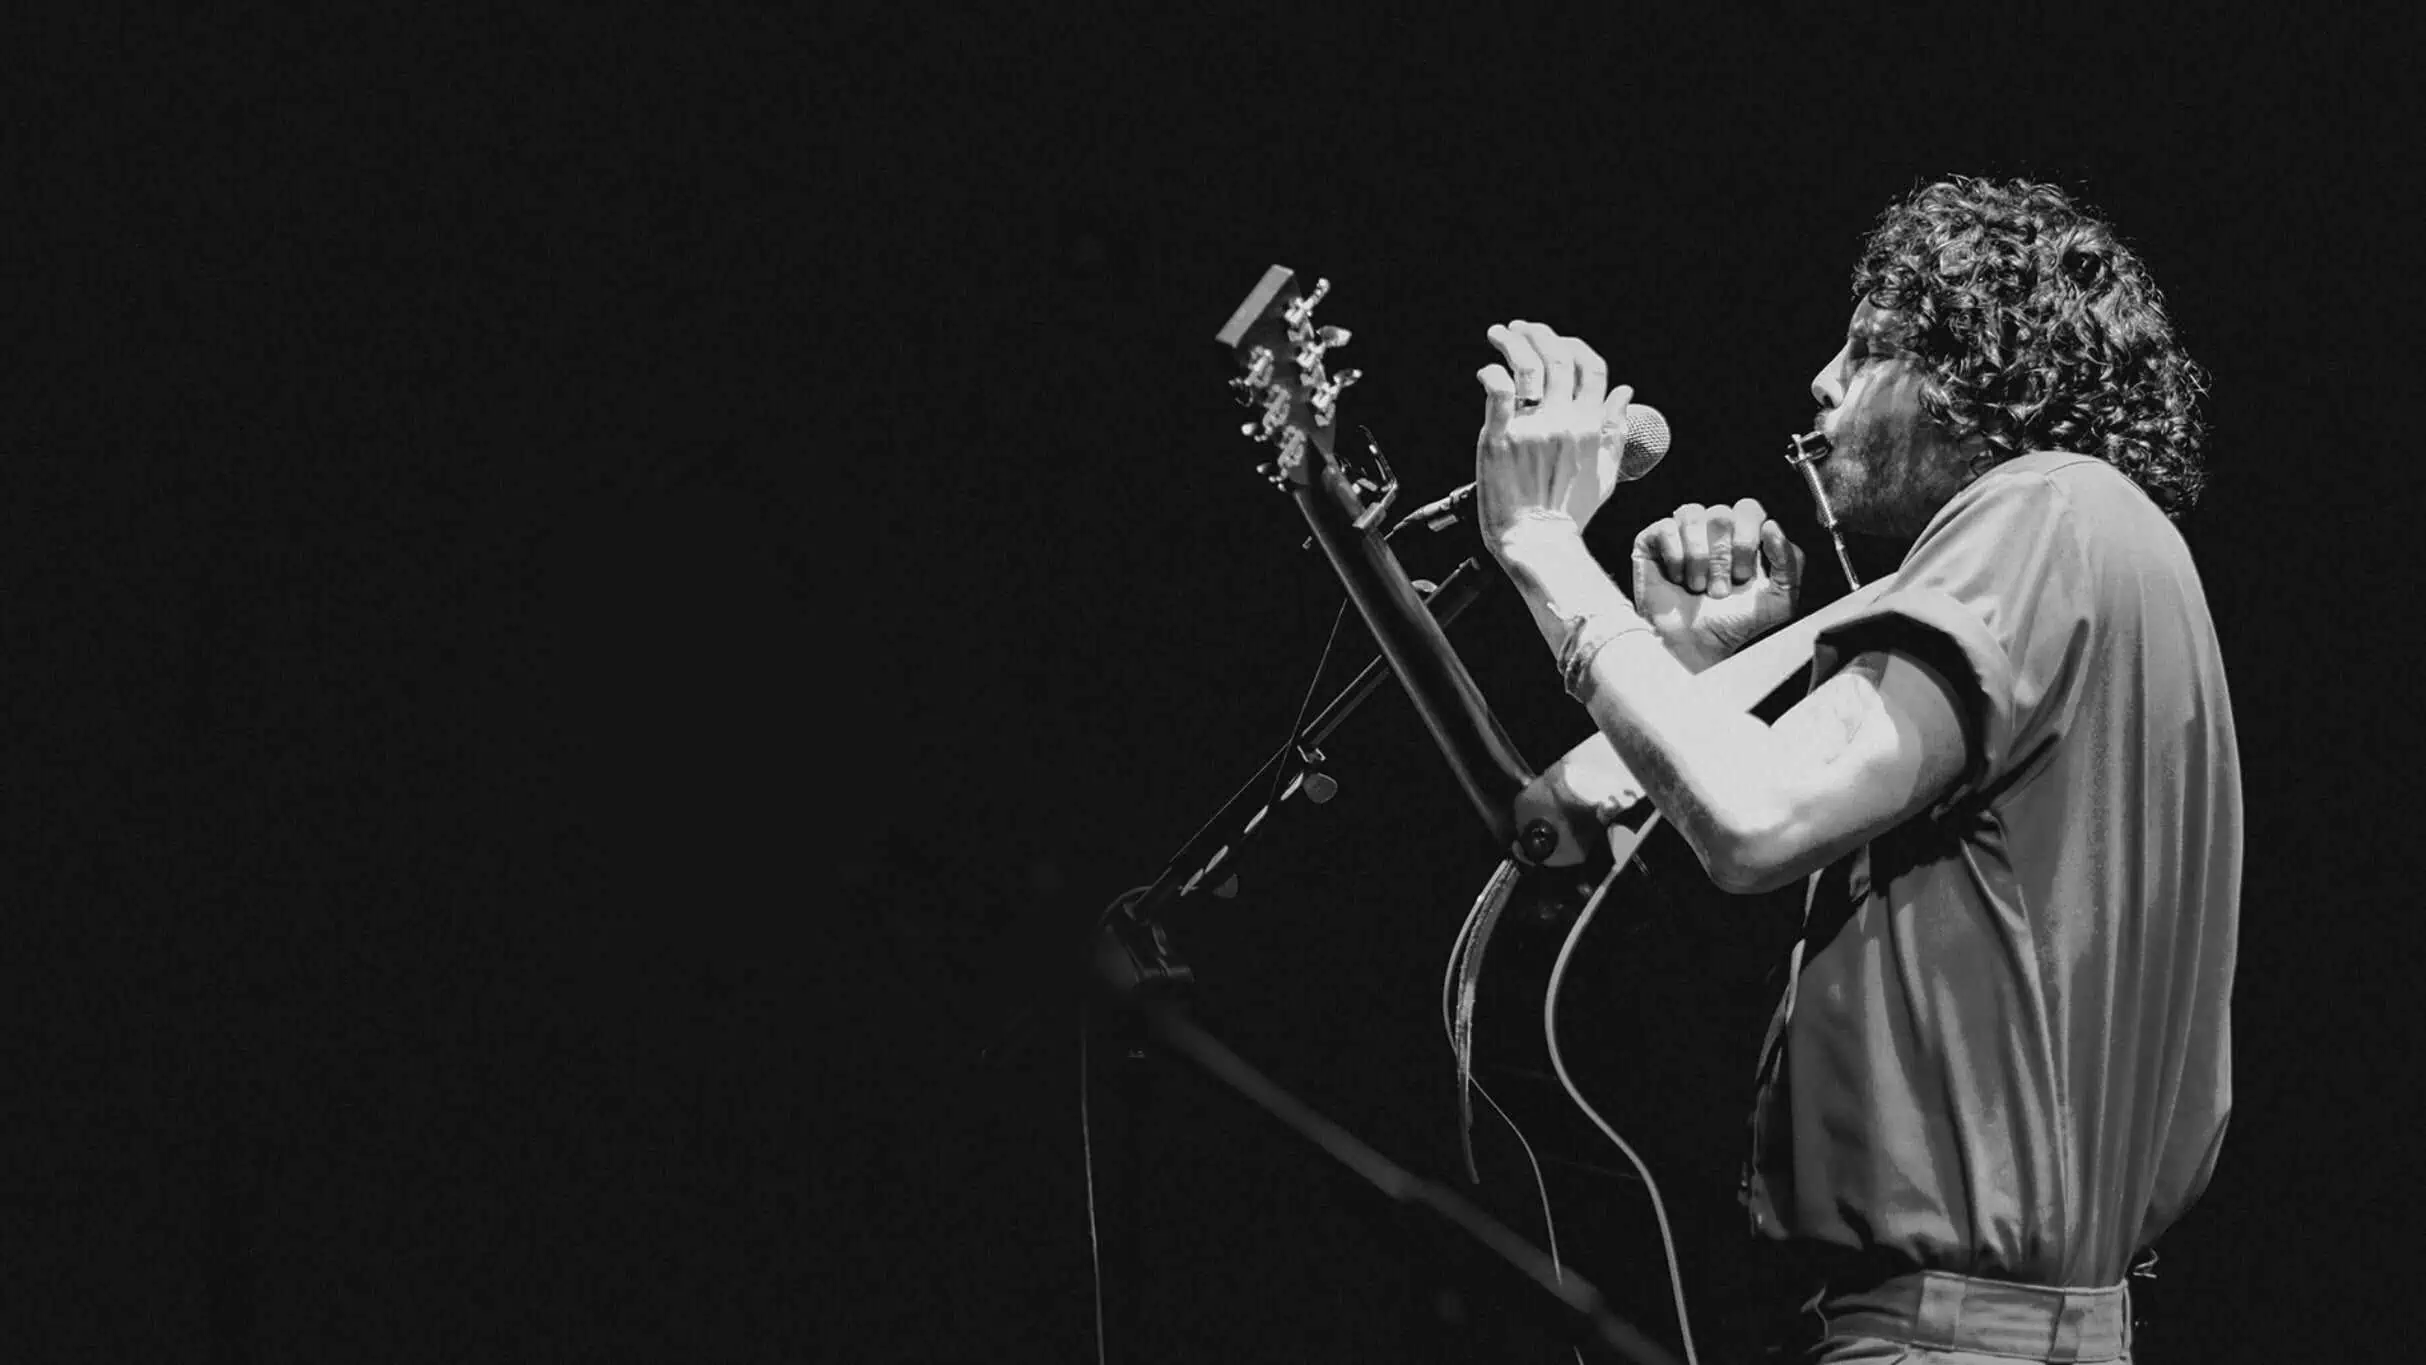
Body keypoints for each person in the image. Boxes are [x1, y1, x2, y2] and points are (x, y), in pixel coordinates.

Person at [1471, 177, 2238, 1364]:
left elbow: (1755, 820)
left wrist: (1538, 546)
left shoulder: (2041, 509)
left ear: (1977, 374)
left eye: (1869, 347)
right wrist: (1695, 667)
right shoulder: (2111, 549)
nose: (1822, 380)